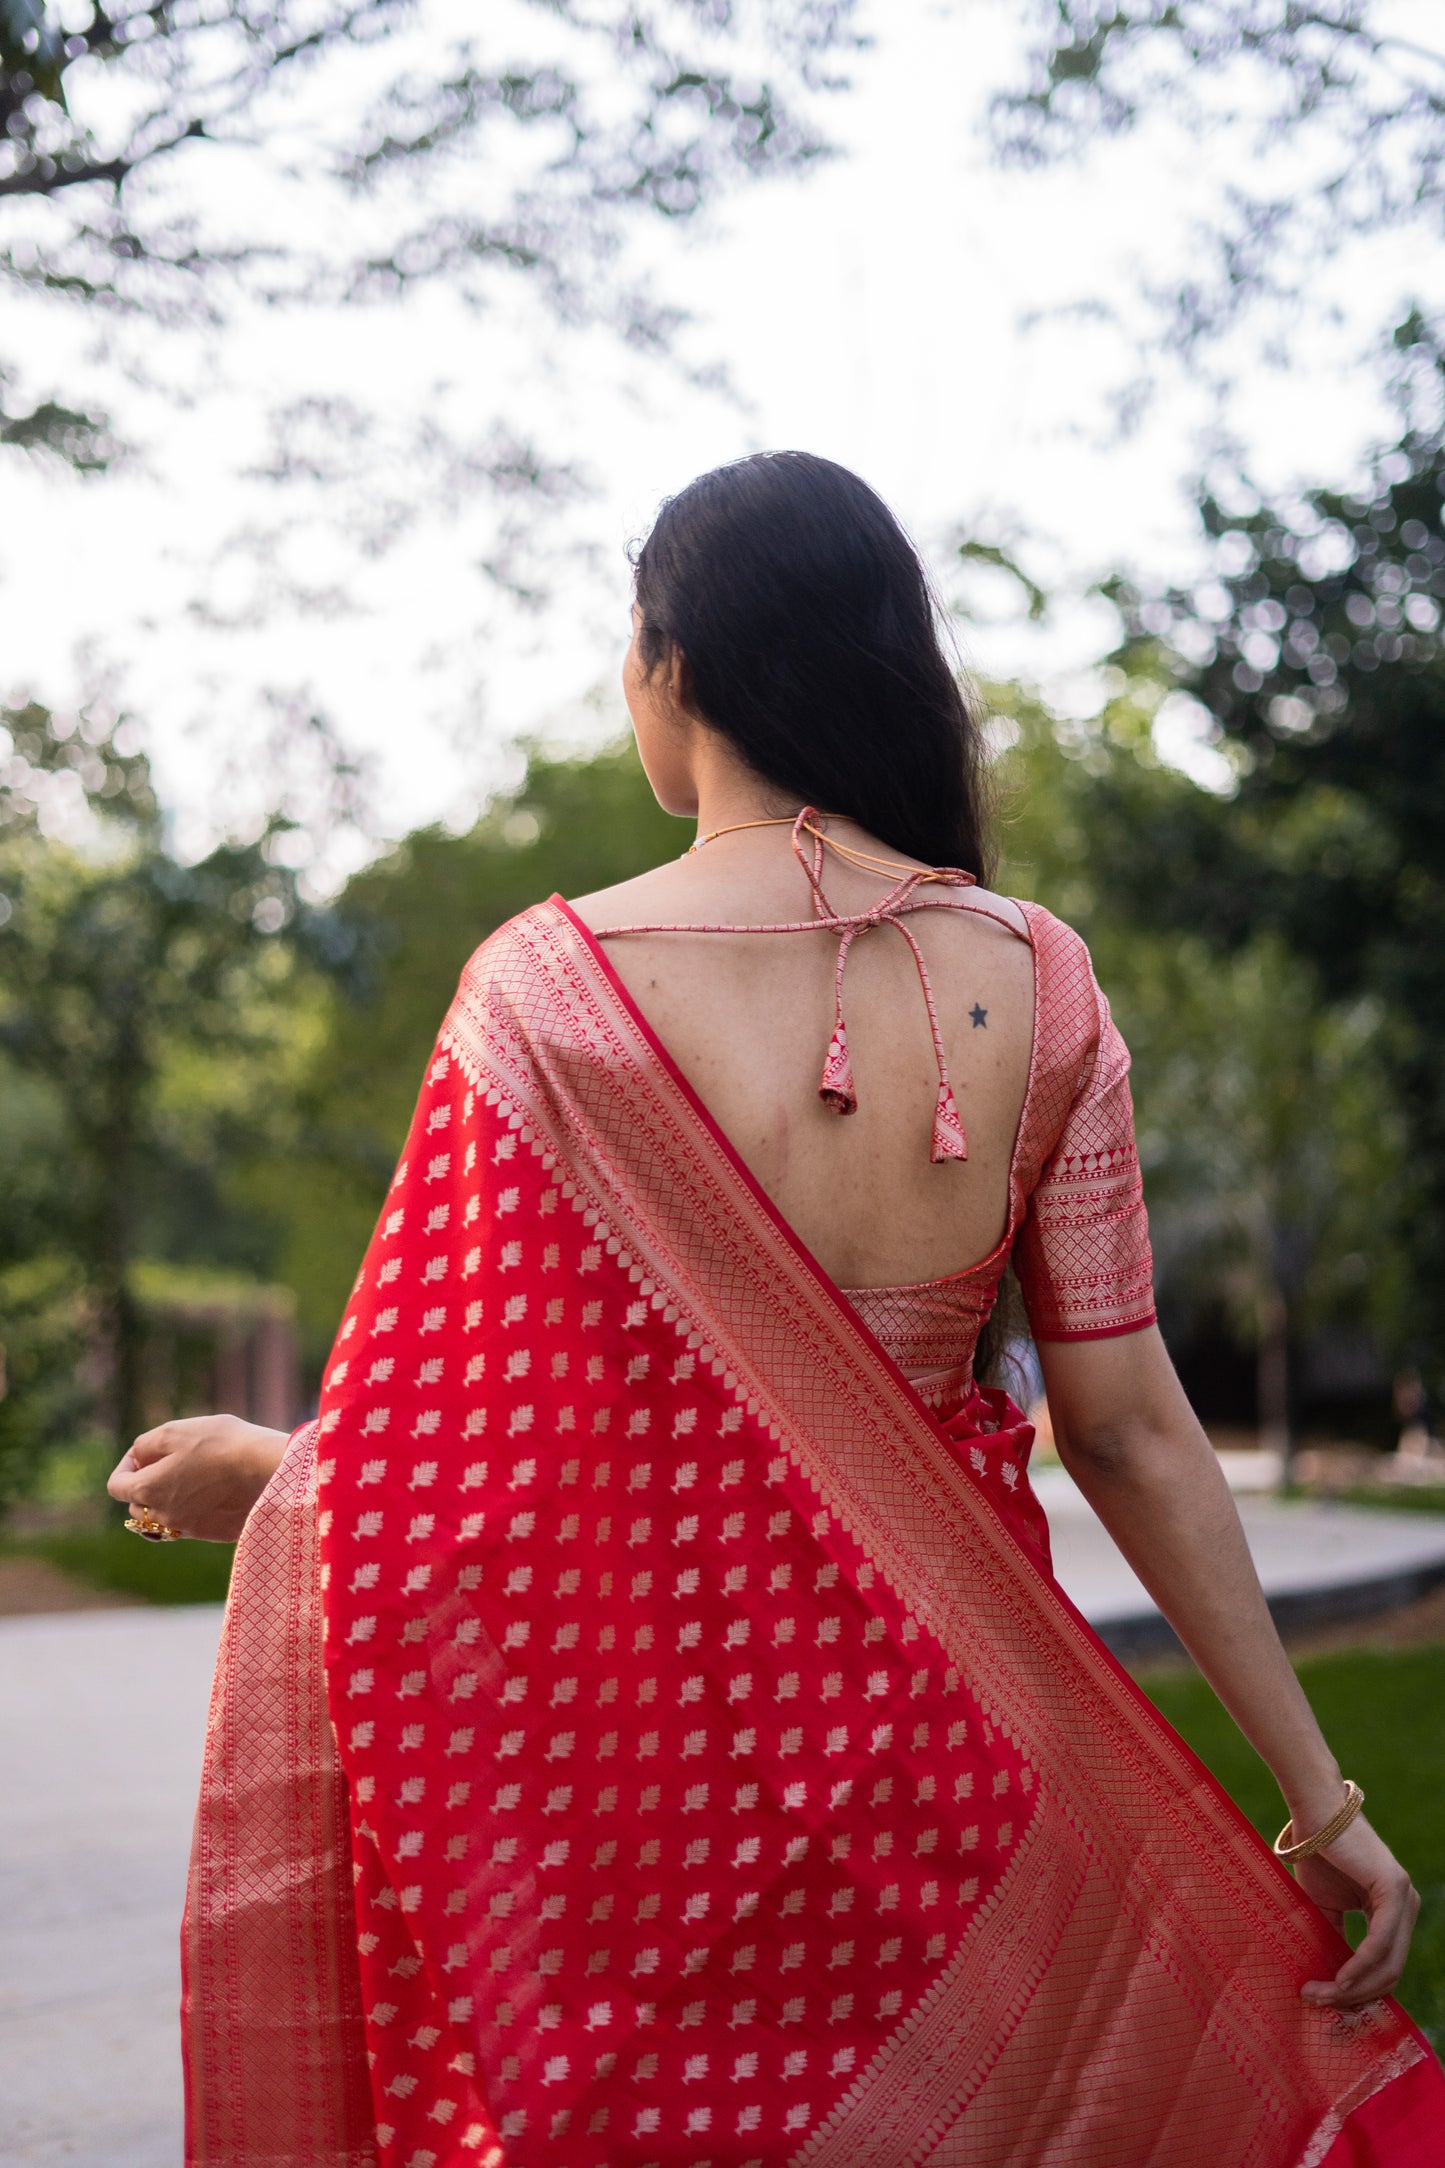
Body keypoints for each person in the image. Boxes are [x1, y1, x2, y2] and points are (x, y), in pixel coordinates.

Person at [111, 452, 1443, 2166]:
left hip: (647, 1805)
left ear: (670, 666)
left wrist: (277, 1478)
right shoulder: (1038, 982)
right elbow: (1126, 1428)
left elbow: (481, 1470)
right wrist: (1315, 1797)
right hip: (959, 1757)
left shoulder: (543, 1002)